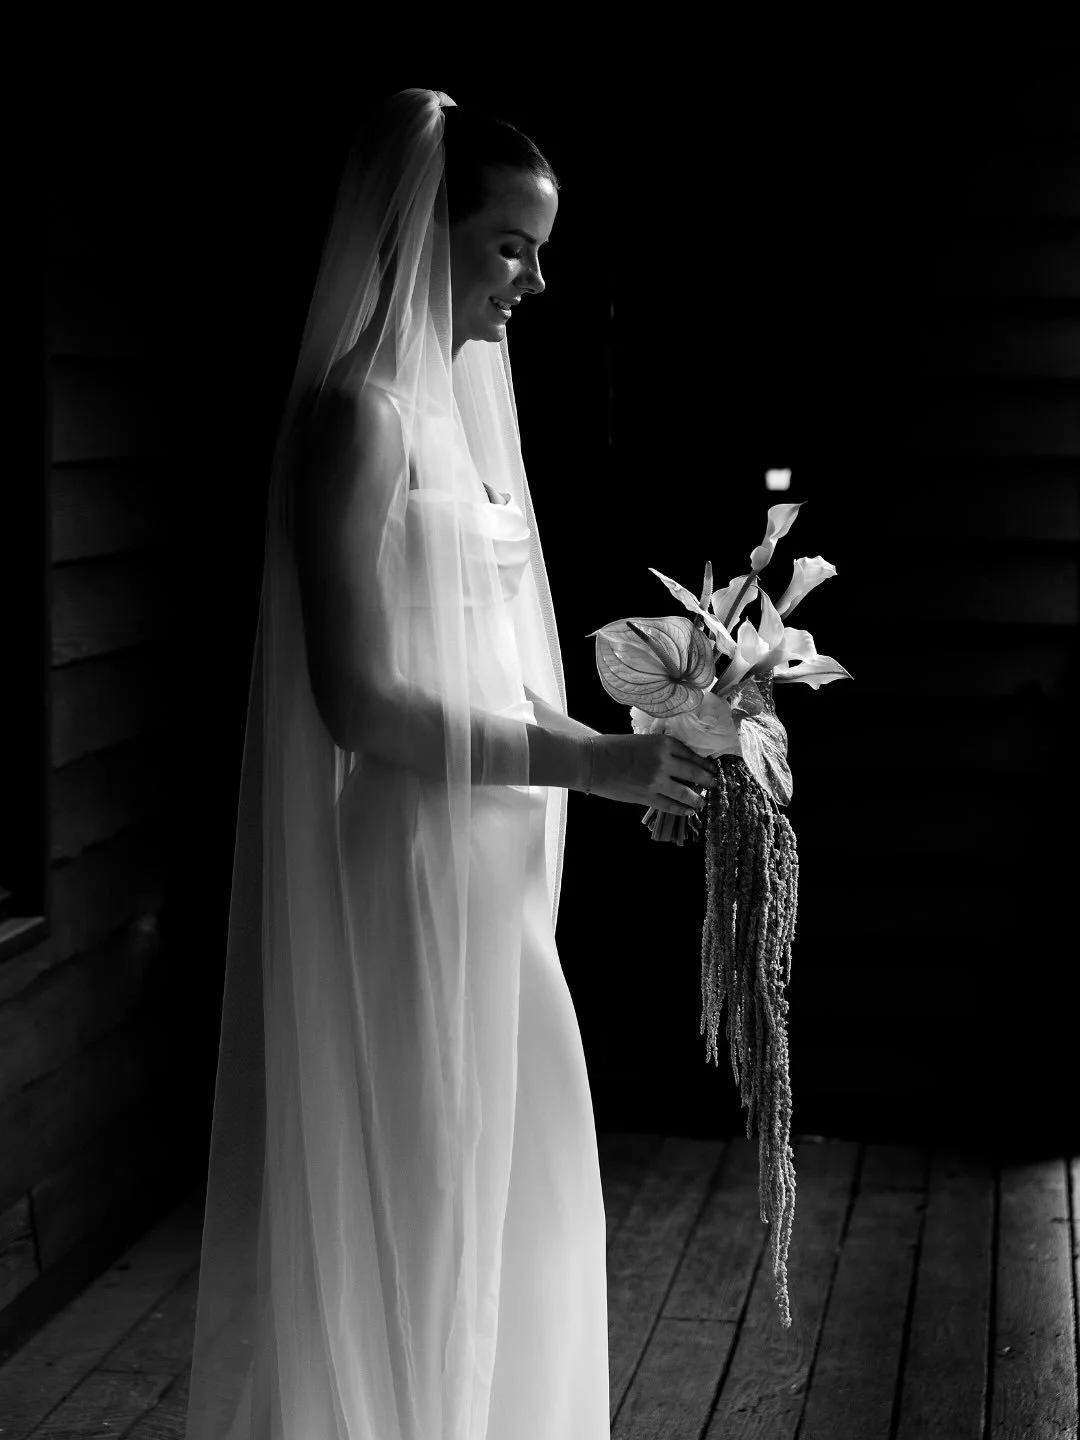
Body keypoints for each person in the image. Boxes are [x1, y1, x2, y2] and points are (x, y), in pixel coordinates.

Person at [183, 87, 716, 1440]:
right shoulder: (358, 417)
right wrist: (582, 757)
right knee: (428, 1206)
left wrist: (672, 727)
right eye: (509, 248)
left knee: (523, 1199)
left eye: (539, 250)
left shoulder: (470, 420)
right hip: (411, 867)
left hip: (499, 877)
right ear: (424, 233)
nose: (535, 280)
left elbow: (496, 650)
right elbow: (357, 699)